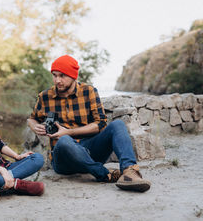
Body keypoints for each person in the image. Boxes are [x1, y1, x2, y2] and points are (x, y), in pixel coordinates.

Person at [27, 55, 151, 192]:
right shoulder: (45, 96)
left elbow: (100, 124)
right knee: (64, 141)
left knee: (118, 125)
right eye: (54, 75)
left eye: (62, 76)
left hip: (90, 151)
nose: (57, 80)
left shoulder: (89, 91)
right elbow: (32, 118)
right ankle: (104, 174)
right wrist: (34, 126)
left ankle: (130, 173)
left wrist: (69, 131)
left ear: (73, 76)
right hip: (63, 159)